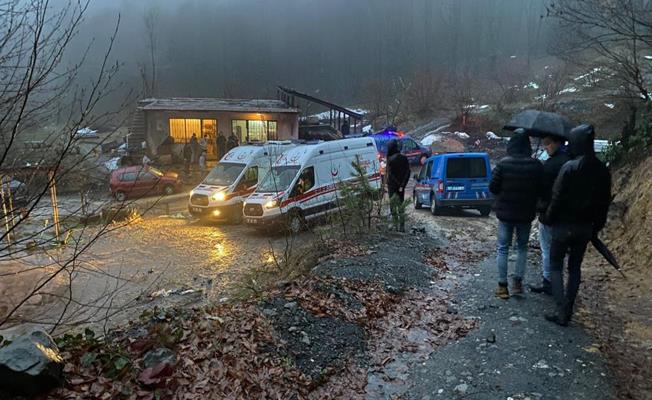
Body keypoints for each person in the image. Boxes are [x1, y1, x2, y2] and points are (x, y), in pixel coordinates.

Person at [544, 124, 611, 326]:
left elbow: (556, 198)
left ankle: (561, 309)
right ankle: (569, 309)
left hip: (563, 226)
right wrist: (596, 227)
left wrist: (548, 217)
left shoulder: (569, 167)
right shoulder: (601, 170)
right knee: (574, 268)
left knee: (556, 266)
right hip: (585, 227)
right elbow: (604, 203)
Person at [489, 129, 543, 299]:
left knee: (503, 248)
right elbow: (541, 189)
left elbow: (493, 187)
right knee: (521, 248)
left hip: (505, 214)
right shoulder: (536, 165)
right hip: (526, 214)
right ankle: (518, 283)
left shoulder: (503, 164)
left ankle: (502, 286)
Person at [531, 135, 571, 295]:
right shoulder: (571, 161)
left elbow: (542, 189)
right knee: (559, 251)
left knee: (547, 250)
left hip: (549, 213)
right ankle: (558, 282)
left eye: (548, 144)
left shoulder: (552, 165)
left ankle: (549, 282)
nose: (546, 147)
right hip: (567, 215)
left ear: (557, 143)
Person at [386, 139, 410, 232]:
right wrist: (402, 185)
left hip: (392, 186)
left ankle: (396, 226)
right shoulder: (404, 158)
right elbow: (408, 172)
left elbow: (390, 175)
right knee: (401, 206)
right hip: (401, 187)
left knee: (393, 206)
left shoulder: (390, 160)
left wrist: (397, 184)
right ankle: (402, 226)